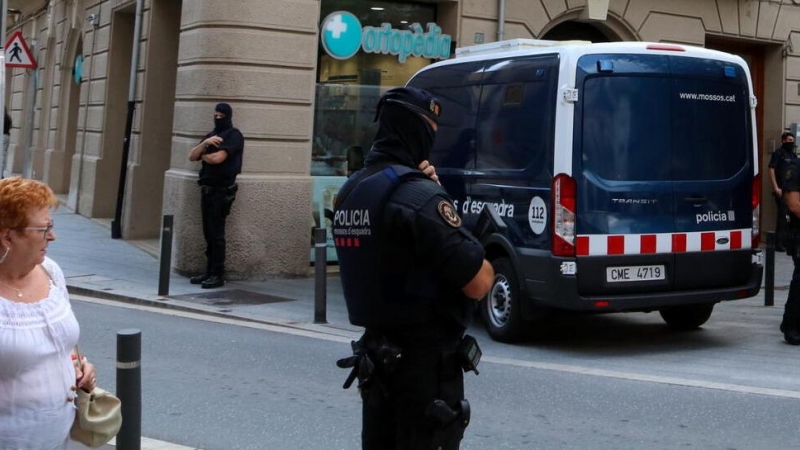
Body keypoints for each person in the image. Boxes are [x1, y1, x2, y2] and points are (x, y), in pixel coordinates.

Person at [333, 87, 495, 450]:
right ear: (414, 131)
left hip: (377, 362)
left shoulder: (352, 190)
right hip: (424, 370)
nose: (432, 140)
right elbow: (478, 281)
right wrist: (440, 200)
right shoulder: (419, 197)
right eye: (429, 130)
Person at [0, 177, 97, 449]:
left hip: (62, 435)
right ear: (8, 236)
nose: (52, 236)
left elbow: (61, 343)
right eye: (45, 229)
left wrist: (80, 365)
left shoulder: (50, 271)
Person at [187, 103, 244, 289]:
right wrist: (204, 144)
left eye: (221, 116)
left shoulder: (234, 135)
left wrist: (203, 154)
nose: (218, 118)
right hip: (207, 189)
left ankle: (218, 274)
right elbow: (191, 156)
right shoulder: (210, 137)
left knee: (217, 234)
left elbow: (218, 158)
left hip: (221, 191)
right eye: (216, 115)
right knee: (208, 233)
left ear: (228, 116)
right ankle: (209, 271)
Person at [768, 132, 797, 251]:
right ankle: (778, 243)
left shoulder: (793, 155)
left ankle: (787, 241)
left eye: (793, 140)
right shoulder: (778, 153)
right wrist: (776, 187)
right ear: (783, 141)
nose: (791, 142)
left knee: (791, 217)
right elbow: (771, 169)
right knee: (782, 216)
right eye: (789, 140)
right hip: (781, 190)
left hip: (792, 191)